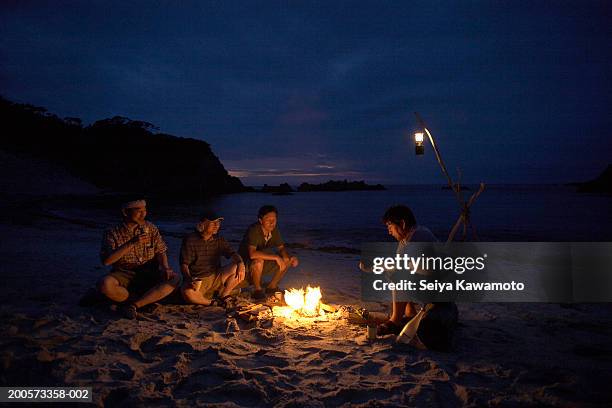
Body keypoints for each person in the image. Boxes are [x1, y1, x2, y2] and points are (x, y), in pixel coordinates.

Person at [361, 205, 458, 350]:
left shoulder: (417, 237)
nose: (389, 231)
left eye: (390, 226)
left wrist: (373, 266)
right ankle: (409, 312)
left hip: (440, 289)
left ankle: (395, 321)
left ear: (402, 224)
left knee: (397, 274)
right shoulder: (410, 237)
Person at [98, 199, 180, 319]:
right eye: (138, 211)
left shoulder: (150, 227)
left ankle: (134, 304)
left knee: (175, 278)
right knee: (105, 284)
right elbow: (107, 261)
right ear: (126, 212)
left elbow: (161, 250)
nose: (143, 214)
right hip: (124, 272)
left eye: (145, 210)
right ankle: (146, 300)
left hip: (149, 271)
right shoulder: (112, 232)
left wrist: (165, 267)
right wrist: (131, 243)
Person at [180, 212, 245, 308]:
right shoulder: (190, 240)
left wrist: (240, 263)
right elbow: (184, 265)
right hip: (198, 281)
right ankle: (211, 303)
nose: (216, 225)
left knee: (238, 267)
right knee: (187, 293)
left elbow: (233, 254)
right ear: (202, 225)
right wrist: (189, 279)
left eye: (218, 223)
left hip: (216, 277)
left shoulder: (219, 240)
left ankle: (224, 295)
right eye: (213, 223)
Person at [239, 205, 298, 300]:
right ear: (260, 220)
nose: (272, 222)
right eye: (268, 219)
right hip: (245, 266)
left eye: (274, 219)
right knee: (258, 261)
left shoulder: (273, 230)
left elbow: (281, 248)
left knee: (287, 259)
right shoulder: (254, 230)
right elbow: (252, 254)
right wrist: (276, 257)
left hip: (262, 263)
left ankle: (271, 287)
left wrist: (288, 258)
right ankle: (257, 290)